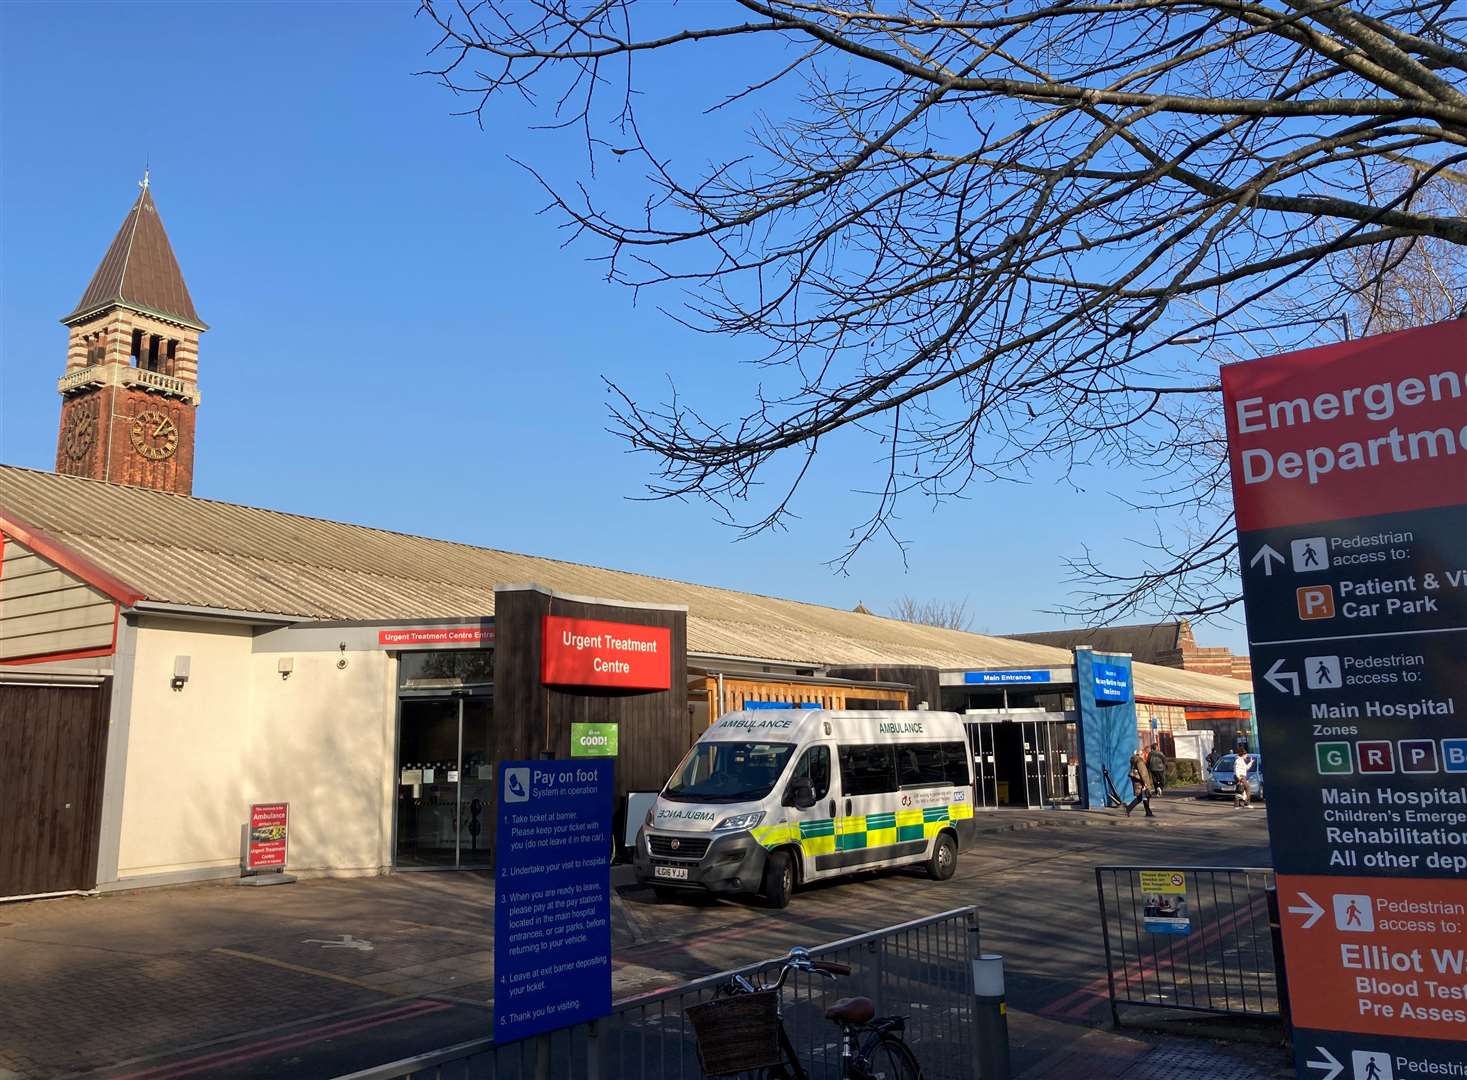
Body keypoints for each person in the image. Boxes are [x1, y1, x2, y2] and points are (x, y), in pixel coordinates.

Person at [1125, 749, 1154, 818]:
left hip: (1138, 781)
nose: (1143, 755)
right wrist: (1146, 783)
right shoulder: (1140, 761)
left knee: (1143, 797)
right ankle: (1129, 808)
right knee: (1144, 796)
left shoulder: (1134, 760)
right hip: (1142, 782)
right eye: (1142, 754)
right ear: (1139, 754)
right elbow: (1143, 773)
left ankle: (1148, 812)